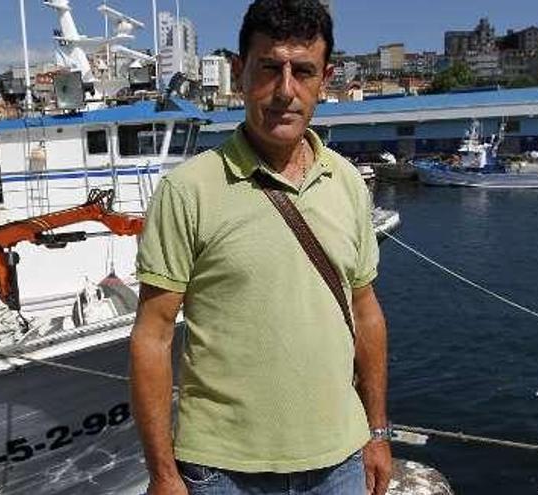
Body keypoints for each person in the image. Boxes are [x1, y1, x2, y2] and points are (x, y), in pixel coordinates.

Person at [129, 1, 392, 494]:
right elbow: (153, 336)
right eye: (269, 68)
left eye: (304, 71)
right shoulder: (188, 191)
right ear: (239, 72)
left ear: (325, 78)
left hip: (340, 463)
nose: (285, 91)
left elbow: (367, 312)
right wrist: (163, 473)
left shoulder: (349, 184)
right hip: (221, 472)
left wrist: (377, 432)